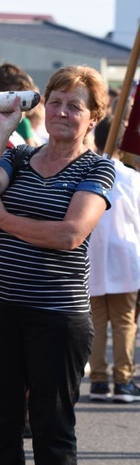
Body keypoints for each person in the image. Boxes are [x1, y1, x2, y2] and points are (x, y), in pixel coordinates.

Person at [0, 65, 115, 465]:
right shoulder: (17, 156)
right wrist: (3, 129)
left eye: (74, 106)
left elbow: (69, 234)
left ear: (93, 117)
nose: (62, 112)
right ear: (42, 107)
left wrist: (2, 218)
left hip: (57, 317)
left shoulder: (97, 169)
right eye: (55, 102)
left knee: (53, 432)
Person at [86, 116, 140, 403]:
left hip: (94, 254)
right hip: (124, 254)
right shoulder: (132, 177)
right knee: (124, 322)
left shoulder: (85, 172)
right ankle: (123, 380)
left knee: (96, 320)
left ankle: (98, 380)